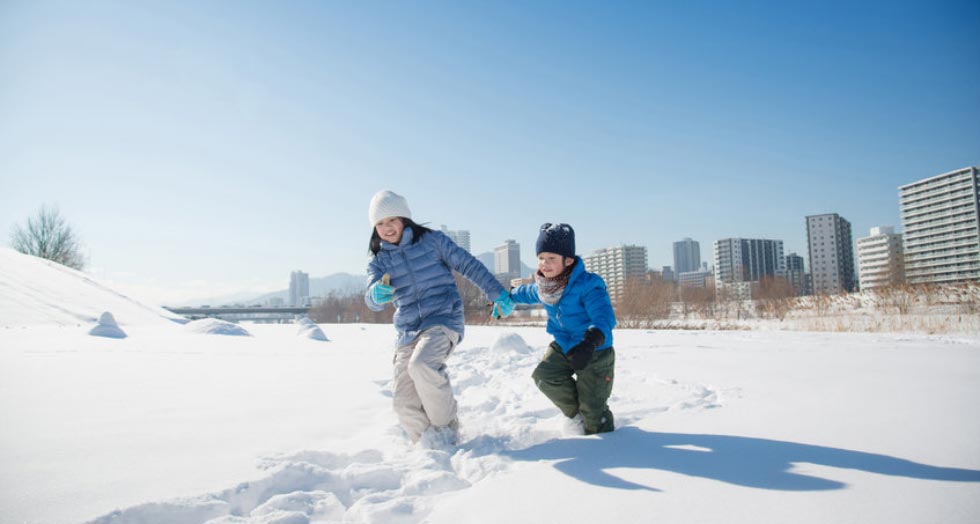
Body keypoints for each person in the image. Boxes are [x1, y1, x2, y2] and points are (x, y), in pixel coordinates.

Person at [364, 190, 515, 444]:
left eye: (392, 220)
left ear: (404, 219)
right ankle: (429, 446)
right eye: (380, 223)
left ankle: (448, 432)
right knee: (403, 401)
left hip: (443, 319)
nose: (387, 227)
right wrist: (375, 296)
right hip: (408, 331)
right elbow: (370, 297)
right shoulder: (379, 261)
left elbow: (468, 264)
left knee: (421, 364)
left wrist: (496, 292)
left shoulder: (433, 241)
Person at [509, 223, 617, 435]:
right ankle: (577, 415)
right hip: (564, 344)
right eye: (541, 258)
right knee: (544, 376)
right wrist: (508, 296)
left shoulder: (588, 285)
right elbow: (527, 292)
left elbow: (604, 317)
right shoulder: (544, 287)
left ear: (567, 260)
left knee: (593, 415)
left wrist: (589, 342)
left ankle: (602, 433)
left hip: (595, 350)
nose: (544, 264)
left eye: (551, 259)